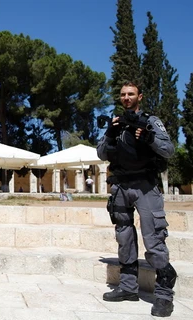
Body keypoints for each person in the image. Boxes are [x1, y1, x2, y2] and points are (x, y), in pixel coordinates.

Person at [97, 81, 177, 317]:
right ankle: (128, 288)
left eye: (131, 94)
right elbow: (101, 154)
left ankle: (163, 295)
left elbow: (168, 150)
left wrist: (150, 139)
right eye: (123, 94)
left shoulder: (150, 121)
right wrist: (110, 134)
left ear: (139, 97)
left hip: (145, 185)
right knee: (124, 236)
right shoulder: (117, 124)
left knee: (153, 238)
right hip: (121, 185)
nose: (126, 97)